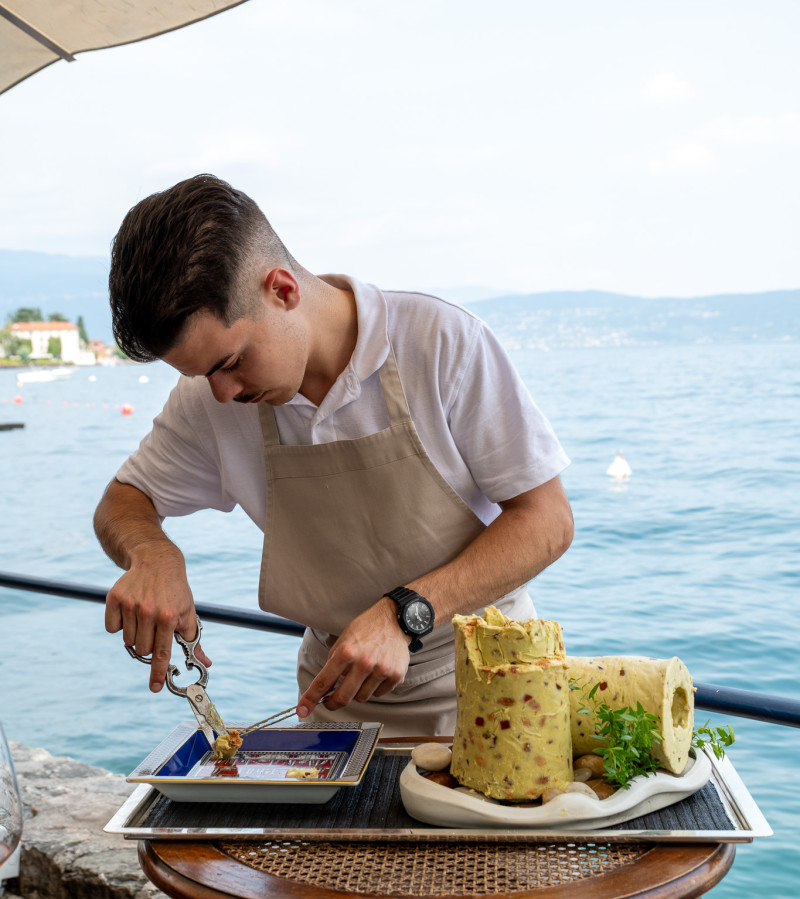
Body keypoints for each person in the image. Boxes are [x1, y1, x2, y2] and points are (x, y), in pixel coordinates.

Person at [94, 173, 574, 736]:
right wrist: (153, 555)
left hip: (492, 680)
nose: (224, 394)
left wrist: (405, 613)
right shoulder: (209, 399)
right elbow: (121, 501)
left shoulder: (442, 341)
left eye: (230, 363)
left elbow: (547, 522)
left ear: (283, 290)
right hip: (336, 702)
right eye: (203, 375)